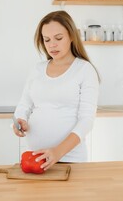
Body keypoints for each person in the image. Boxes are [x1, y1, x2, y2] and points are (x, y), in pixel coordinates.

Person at [13, 10, 99, 171]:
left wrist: (58, 152)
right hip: (34, 157)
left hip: (70, 160)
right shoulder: (37, 69)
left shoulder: (85, 70)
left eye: (58, 38)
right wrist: (20, 120)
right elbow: (24, 105)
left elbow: (86, 121)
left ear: (72, 36)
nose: (52, 44)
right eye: (47, 40)